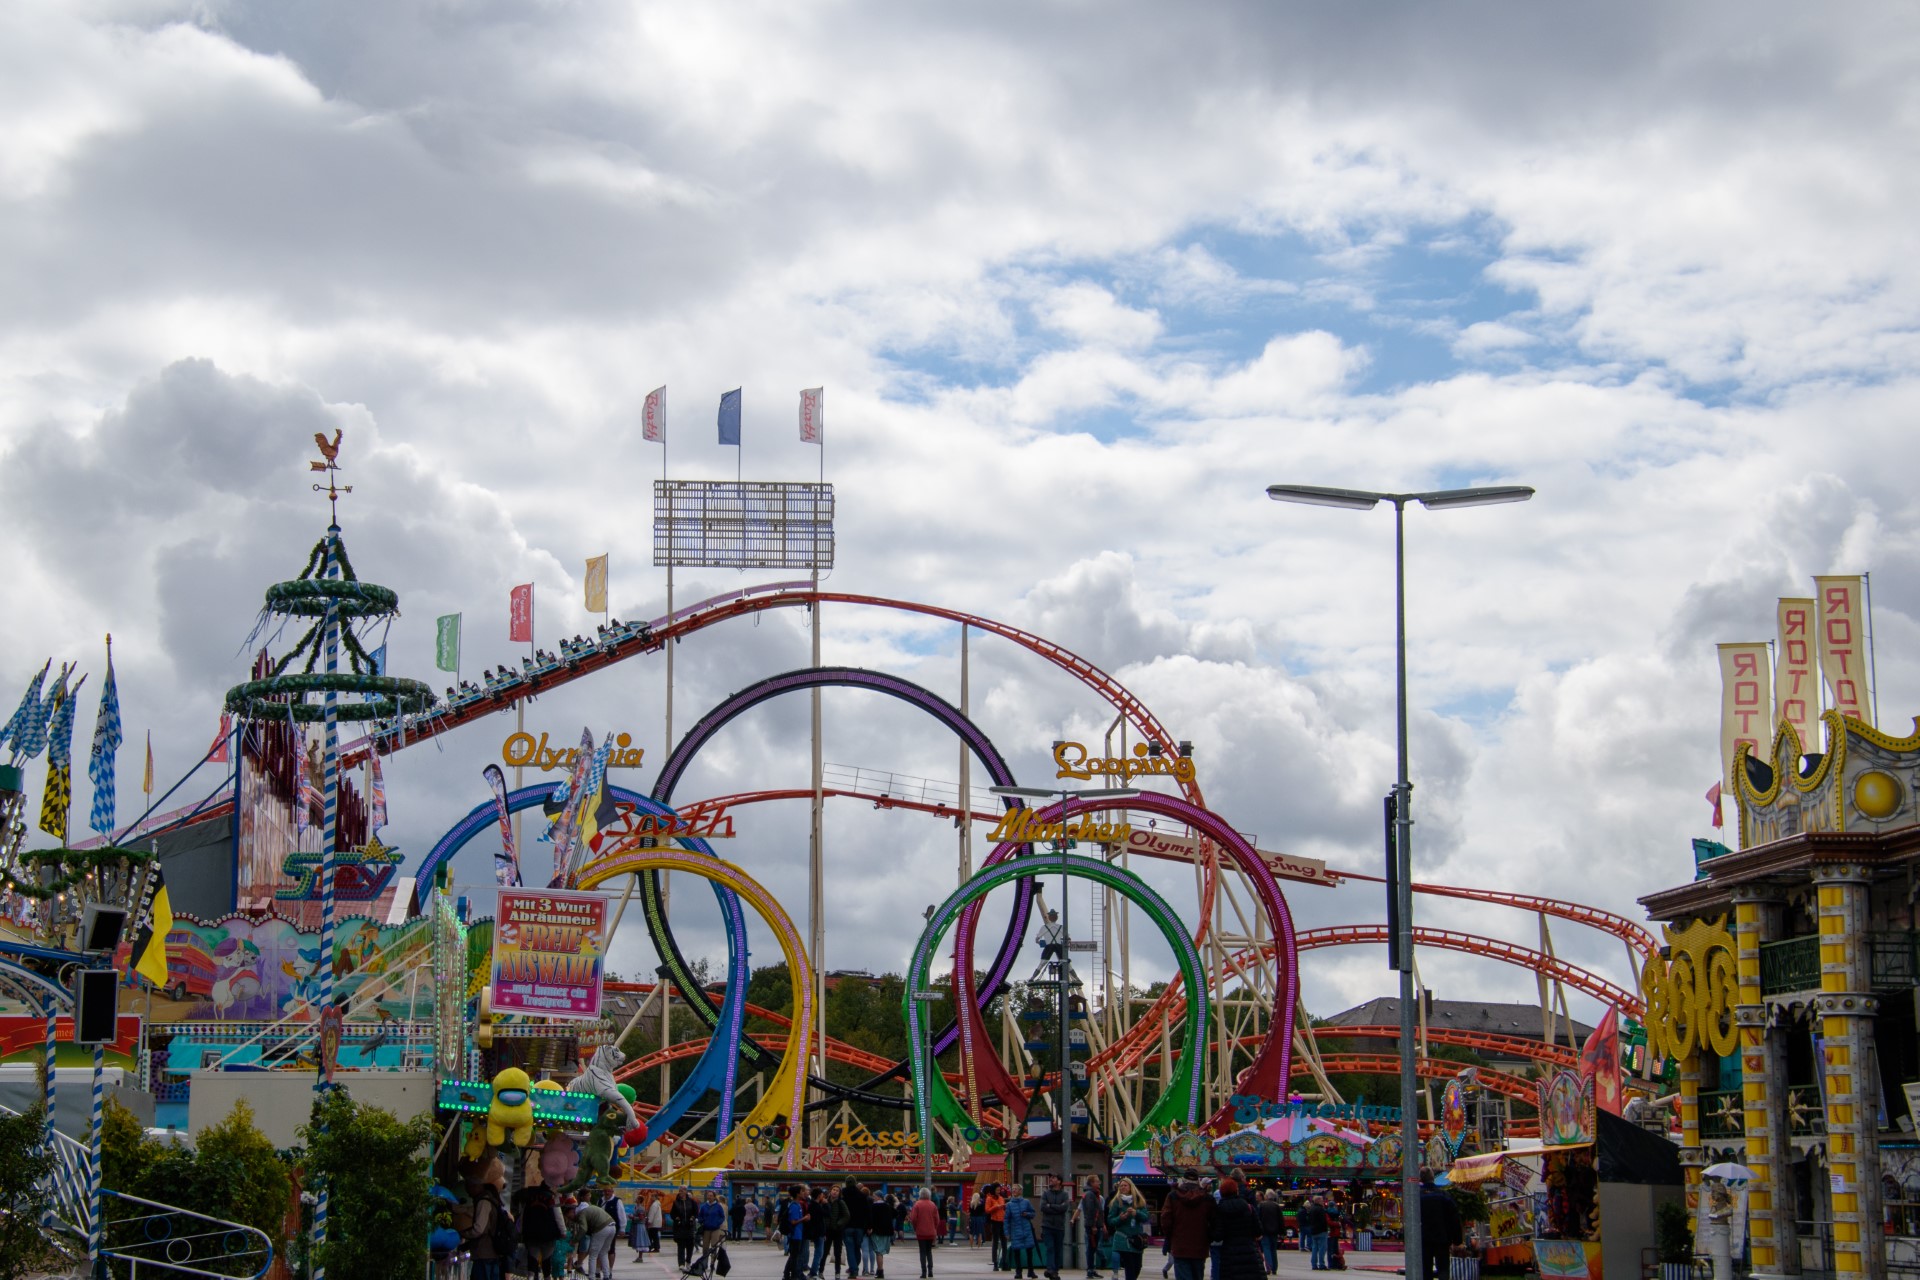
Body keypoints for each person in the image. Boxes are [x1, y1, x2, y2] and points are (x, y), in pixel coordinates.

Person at [1159, 1172, 1215, 1280]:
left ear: (1183, 1180)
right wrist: (1209, 1237)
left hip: (1179, 1246)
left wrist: (1170, 1236)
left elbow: (1165, 1219)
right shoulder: (1207, 1198)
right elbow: (1214, 1221)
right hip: (1200, 1247)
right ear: (1198, 1181)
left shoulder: (1173, 1196)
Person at [1210, 1180, 1265, 1280]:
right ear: (1236, 1191)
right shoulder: (1248, 1207)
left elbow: (1218, 1236)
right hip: (1250, 1254)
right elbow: (1258, 1231)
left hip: (1229, 1256)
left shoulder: (1220, 1209)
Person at [461, 1170, 510, 1280]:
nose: (468, 1194)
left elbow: (479, 1229)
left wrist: (463, 1234)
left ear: (475, 1187)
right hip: (492, 1253)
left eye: (468, 1189)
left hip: (484, 1253)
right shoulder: (491, 1200)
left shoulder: (483, 1202)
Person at [516, 1180, 566, 1280]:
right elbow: (558, 1216)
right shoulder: (552, 1198)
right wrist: (563, 1231)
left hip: (531, 1232)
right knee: (546, 1258)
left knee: (532, 1257)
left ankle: (530, 1277)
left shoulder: (530, 1197)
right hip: (548, 1233)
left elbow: (523, 1215)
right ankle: (547, 1277)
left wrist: (521, 1229)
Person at [1417, 1171, 1462, 1280]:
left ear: (1421, 1179)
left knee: (1425, 1269)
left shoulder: (1417, 1196)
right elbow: (1454, 1217)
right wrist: (1457, 1240)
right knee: (1443, 1268)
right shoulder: (1443, 1195)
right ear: (1433, 1178)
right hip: (1442, 1238)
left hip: (1423, 1239)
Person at [1106, 1178, 1151, 1280]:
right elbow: (1110, 1220)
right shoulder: (1116, 1202)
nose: (1123, 1187)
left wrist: (1136, 1213)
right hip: (1123, 1240)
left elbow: (1145, 1217)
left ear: (1131, 1187)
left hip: (1137, 1240)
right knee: (1129, 1267)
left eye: (1125, 1185)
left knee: (1137, 1267)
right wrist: (1120, 1218)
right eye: (1121, 1186)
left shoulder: (1139, 1201)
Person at [1004, 1183, 1040, 1280]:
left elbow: (1033, 1213)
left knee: (1029, 1251)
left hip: (1027, 1230)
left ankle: (1031, 1271)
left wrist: (1027, 1214)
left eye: (1016, 1189)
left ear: (1020, 1191)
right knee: (1016, 1252)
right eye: (1013, 1189)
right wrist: (1006, 1232)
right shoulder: (1009, 1205)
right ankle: (1018, 1272)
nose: (1014, 1190)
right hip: (1015, 1231)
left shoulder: (1026, 1202)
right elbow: (1006, 1219)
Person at [1039, 1176, 1073, 1280]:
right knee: (1050, 1248)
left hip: (1059, 1226)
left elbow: (1064, 1208)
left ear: (1059, 1181)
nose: (1051, 1180)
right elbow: (1042, 1207)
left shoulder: (1064, 1194)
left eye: (1053, 1178)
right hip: (1047, 1225)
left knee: (1058, 1249)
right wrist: (1057, 1207)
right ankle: (1050, 1269)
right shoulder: (1046, 1193)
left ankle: (1055, 1271)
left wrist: (1050, 1205)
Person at [1072, 1177, 1106, 1279]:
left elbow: (1098, 1211)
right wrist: (1093, 1226)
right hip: (1092, 1226)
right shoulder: (1090, 1195)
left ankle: (1091, 1269)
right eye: (1097, 1181)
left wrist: (1101, 1224)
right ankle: (1090, 1270)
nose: (1099, 1183)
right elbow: (1090, 1211)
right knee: (1091, 1248)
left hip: (1096, 1225)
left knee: (1093, 1248)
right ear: (1091, 1183)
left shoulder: (1095, 1195)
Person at [577, 1199, 617, 1280]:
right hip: (612, 1226)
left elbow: (583, 1229)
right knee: (604, 1252)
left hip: (601, 1228)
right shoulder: (593, 1208)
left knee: (593, 1255)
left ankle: (591, 1276)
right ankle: (606, 1275)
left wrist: (575, 1239)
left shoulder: (582, 1213)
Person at [843, 1178, 872, 1279]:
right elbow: (867, 1212)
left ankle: (853, 1270)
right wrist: (869, 1226)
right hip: (860, 1227)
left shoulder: (843, 1194)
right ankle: (855, 1266)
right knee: (857, 1248)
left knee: (850, 1249)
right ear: (855, 1183)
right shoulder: (862, 1195)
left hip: (847, 1226)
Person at [912, 1188, 943, 1278]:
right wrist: (934, 1228)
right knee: (929, 1251)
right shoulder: (933, 1205)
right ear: (929, 1195)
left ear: (920, 1195)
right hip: (931, 1232)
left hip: (920, 1232)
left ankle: (923, 1272)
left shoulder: (917, 1204)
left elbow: (913, 1219)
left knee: (922, 1251)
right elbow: (937, 1219)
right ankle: (930, 1270)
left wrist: (915, 1228)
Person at [784, 1185, 812, 1280]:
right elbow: (793, 1221)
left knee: (794, 1256)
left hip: (798, 1234)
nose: (803, 1193)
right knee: (794, 1256)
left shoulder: (797, 1204)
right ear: (797, 1194)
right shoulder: (794, 1206)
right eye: (801, 1191)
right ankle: (790, 1275)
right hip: (795, 1235)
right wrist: (804, 1218)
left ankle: (788, 1274)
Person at [867, 1189, 897, 1280]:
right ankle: (879, 1270)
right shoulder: (887, 1206)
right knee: (882, 1251)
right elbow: (895, 1213)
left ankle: (880, 1271)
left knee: (878, 1252)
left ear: (878, 1197)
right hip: (887, 1232)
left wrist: (870, 1228)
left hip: (877, 1231)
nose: (873, 1197)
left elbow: (870, 1218)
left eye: (874, 1196)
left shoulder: (873, 1206)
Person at [1254, 1192, 1282, 1276]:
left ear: (1266, 1197)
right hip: (1274, 1231)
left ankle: (1269, 1267)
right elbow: (1280, 1219)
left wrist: (1258, 1231)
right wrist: (1282, 1232)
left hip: (1265, 1231)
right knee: (1273, 1249)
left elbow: (1258, 1218)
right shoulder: (1276, 1206)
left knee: (1266, 1249)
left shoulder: (1261, 1206)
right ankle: (1274, 1268)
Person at [700, 1189, 729, 1268]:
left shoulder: (718, 1206)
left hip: (715, 1229)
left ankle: (712, 1263)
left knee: (714, 1246)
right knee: (705, 1247)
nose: (709, 1197)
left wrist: (717, 1223)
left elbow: (722, 1216)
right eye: (708, 1195)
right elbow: (700, 1216)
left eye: (711, 1196)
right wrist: (702, 1221)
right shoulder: (704, 1206)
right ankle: (704, 1263)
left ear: (714, 1197)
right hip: (706, 1229)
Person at [1297, 1198, 1329, 1272]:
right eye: (1322, 1201)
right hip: (1321, 1231)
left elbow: (1309, 1219)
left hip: (1313, 1231)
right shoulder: (1321, 1209)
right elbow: (1323, 1221)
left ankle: (1314, 1264)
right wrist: (1326, 1229)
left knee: (1314, 1248)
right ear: (1319, 1201)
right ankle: (1321, 1264)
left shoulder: (1311, 1209)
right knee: (1322, 1248)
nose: (1323, 1202)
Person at [674, 1188, 700, 1269]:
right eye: (679, 1191)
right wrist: (676, 1218)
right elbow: (672, 1213)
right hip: (680, 1227)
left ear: (686, 1192)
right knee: (680, 1246)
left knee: (690, 1246)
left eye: (682, 1191)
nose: (680, 1192)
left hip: (689, 1227)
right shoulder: (676, 1202)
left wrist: (692, 1217)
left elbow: (696, 1212)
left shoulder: (692, 1202)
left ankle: (688, 1261)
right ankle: (681, 1263)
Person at [986, 1184, 1008, 1269]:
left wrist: (1004, 1208)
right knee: (995, 1242)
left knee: (1004, 1242)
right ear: (993, 1190)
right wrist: (996, 1207)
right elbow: (987, 1210)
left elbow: (1003, 1209)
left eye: (999, 1190)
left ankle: (1004, 1262)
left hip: (1002, 1221)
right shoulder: (989, 1198)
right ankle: (995, 1263)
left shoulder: (1001, 1198)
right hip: (995, 1222)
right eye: (997, 1190)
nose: (999, 1191)